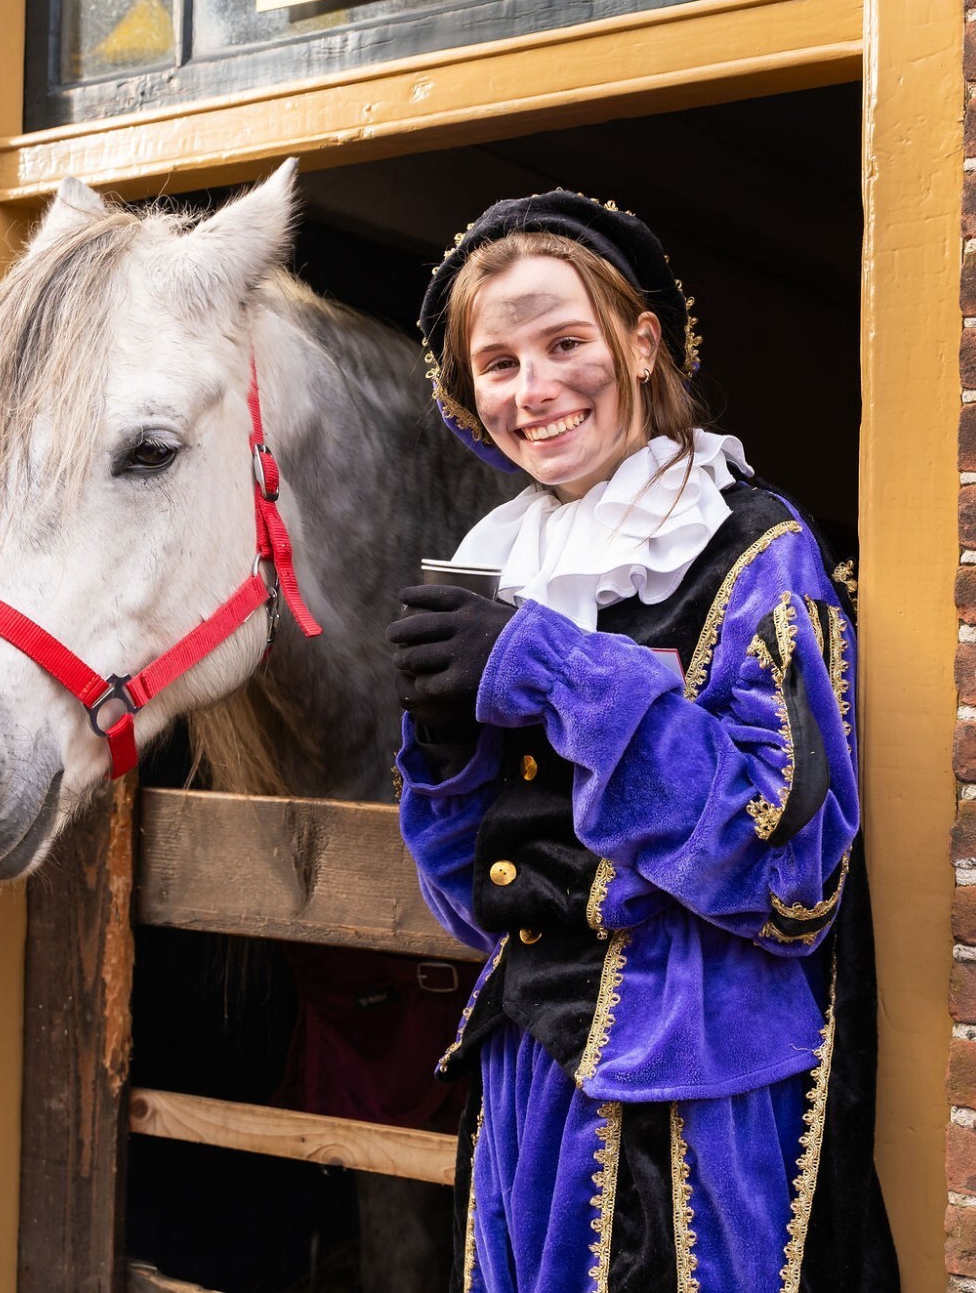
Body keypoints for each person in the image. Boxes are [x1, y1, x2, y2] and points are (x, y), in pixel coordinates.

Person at [389, 192, 898, 1293]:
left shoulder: (750, 549)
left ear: (637, 341)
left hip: (689, 1095)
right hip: (530, 1074)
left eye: (564, 342)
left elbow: (789, 872)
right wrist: (442, 753)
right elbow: (471, 903)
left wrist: (547, 668)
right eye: (498, 363)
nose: (535, 389)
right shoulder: (487, 562)